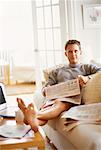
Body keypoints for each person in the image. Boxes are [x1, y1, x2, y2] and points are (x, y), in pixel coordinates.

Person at [17, 40, 101, 132]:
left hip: (71, 100)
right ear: (66, 54)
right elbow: (46, 87)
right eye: (70, 51)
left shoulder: (87, 67)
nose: (73, 54)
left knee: (60, 104)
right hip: (55, 97)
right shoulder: (57, 71)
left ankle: (32, 115)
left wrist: (87, 78)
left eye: (76, 51)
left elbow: (99, 72)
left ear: (80, 52)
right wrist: (45, 91)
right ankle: (34, 122)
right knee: (50, 107)